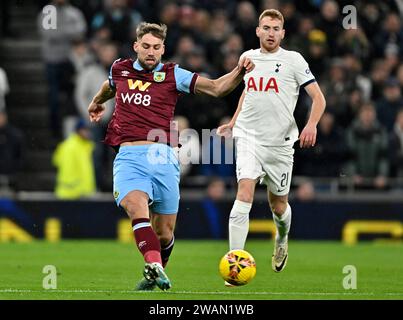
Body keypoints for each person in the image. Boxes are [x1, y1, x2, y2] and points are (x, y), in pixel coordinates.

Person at [87, 22, 253, 291]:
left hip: (163, 156)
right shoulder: (120, 68)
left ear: (163, 48)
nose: (151, 52)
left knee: (164, 233)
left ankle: (156, 268)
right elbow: (110, 87)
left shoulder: (174, 74)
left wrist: (239, 71)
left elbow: (217, 89)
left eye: (156, 47)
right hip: (128, 156)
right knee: (135, 207)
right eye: (146, 47)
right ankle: (152, 264)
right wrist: (97, 101)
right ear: (136, 47)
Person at [217, 9, 326, 281]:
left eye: (276, 28)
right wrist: (233, 123)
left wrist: (311, 125)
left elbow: (319, 98)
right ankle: (235, 265)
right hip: (249, 137)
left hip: (280, 144)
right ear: (257, 31)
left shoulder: (294, 60)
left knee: (278, 206)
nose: (271, 33)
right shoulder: (247, 58)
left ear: (283, 33)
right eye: (266, 27)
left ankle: (282, 238)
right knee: (244, 191)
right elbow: (247, 93)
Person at [52, 119, 96, 199]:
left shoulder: (84, 147)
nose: (88, 132)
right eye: (85, 129)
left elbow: (56, 161)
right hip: (70, 194)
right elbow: (66, 168)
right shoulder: (70, 147)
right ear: (78, 131)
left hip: (80, 193)